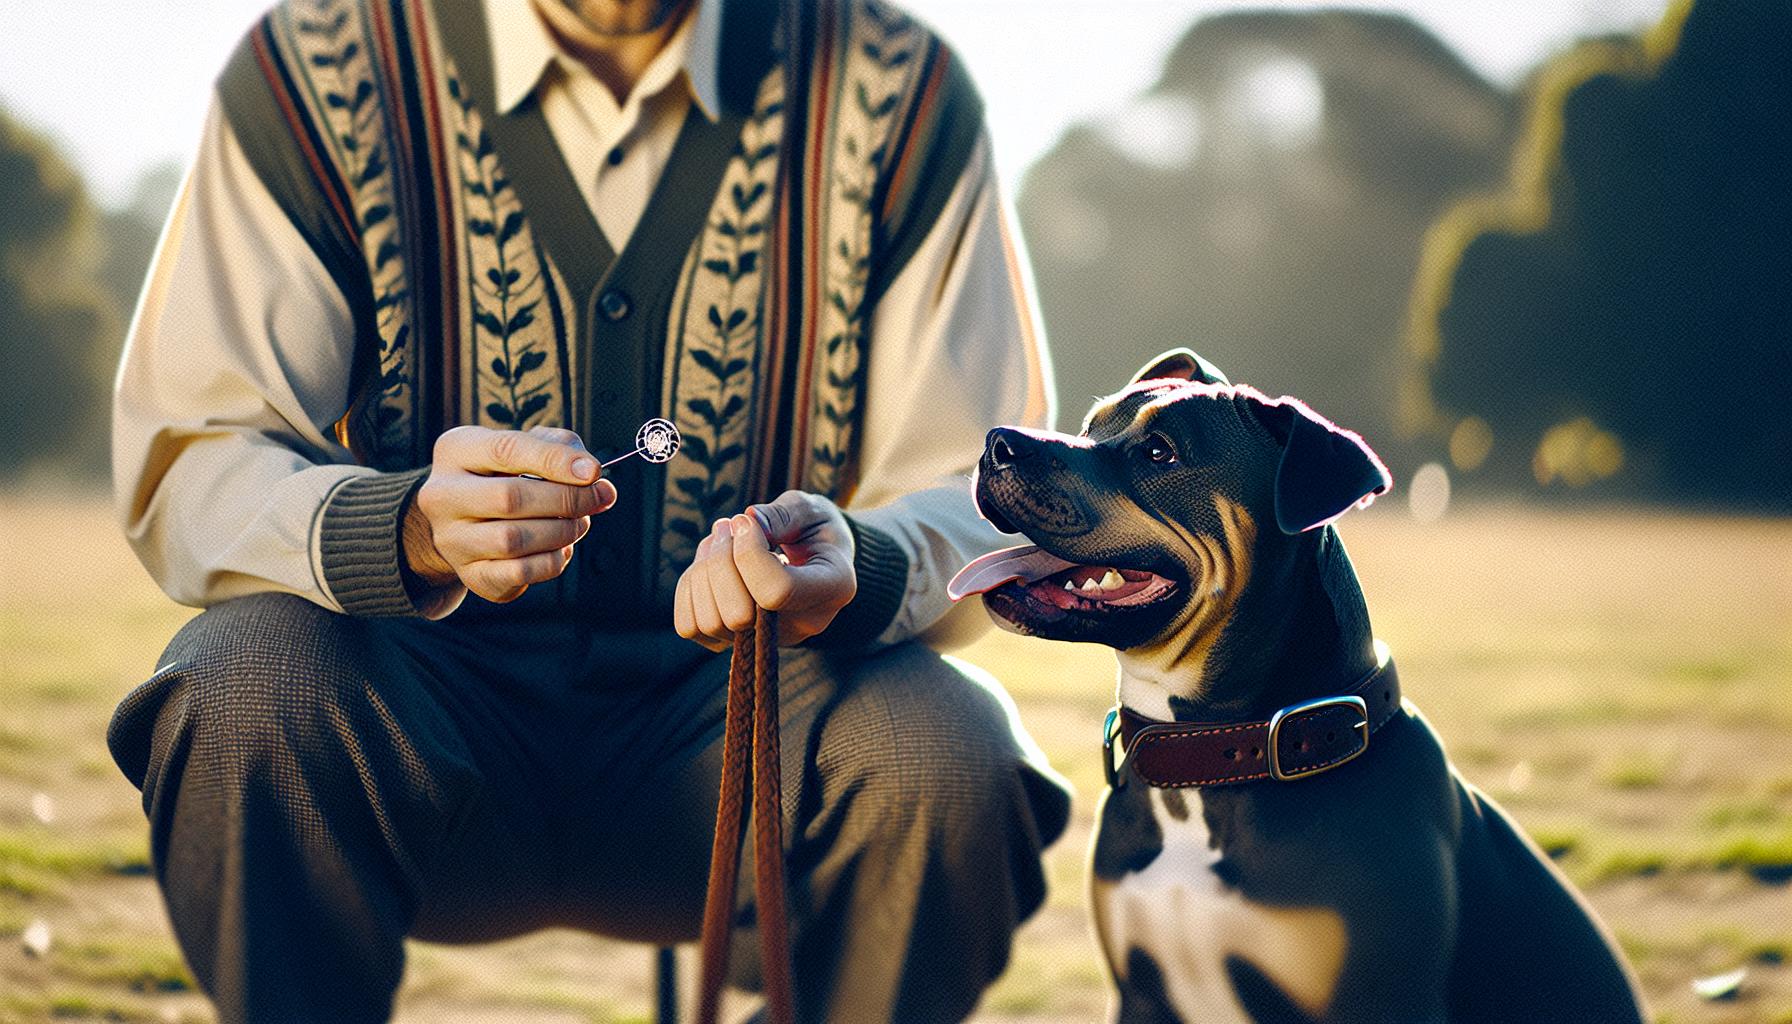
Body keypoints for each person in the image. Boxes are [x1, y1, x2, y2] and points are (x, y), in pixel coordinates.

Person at [107, 0, 1071, 1020]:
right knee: (241, 680)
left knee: (950, 749)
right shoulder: (318, 69)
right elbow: (195, 451)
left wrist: (862, 565)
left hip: (758, 744)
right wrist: (402, 528)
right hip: (414, 735)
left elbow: (990, 482)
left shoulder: (897, 92)